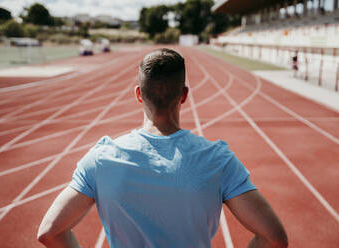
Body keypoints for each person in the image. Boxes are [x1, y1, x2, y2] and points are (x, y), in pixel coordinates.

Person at [37, 48, 288, 248]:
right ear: (184, 95)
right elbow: (274, 239)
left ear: (138, 94)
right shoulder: (219, 160)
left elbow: (49, 232)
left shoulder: (101, 159)